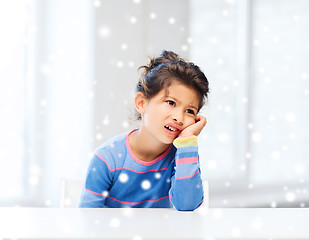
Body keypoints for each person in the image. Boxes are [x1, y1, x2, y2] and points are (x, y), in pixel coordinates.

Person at [79, 50, 209, 211]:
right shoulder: (107, 158)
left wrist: (188, 140)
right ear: (141, 103)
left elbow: (187, 205)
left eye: (190, 111)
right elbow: (87, 218)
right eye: (170, 102)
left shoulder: (182, 155)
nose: (179, 117)